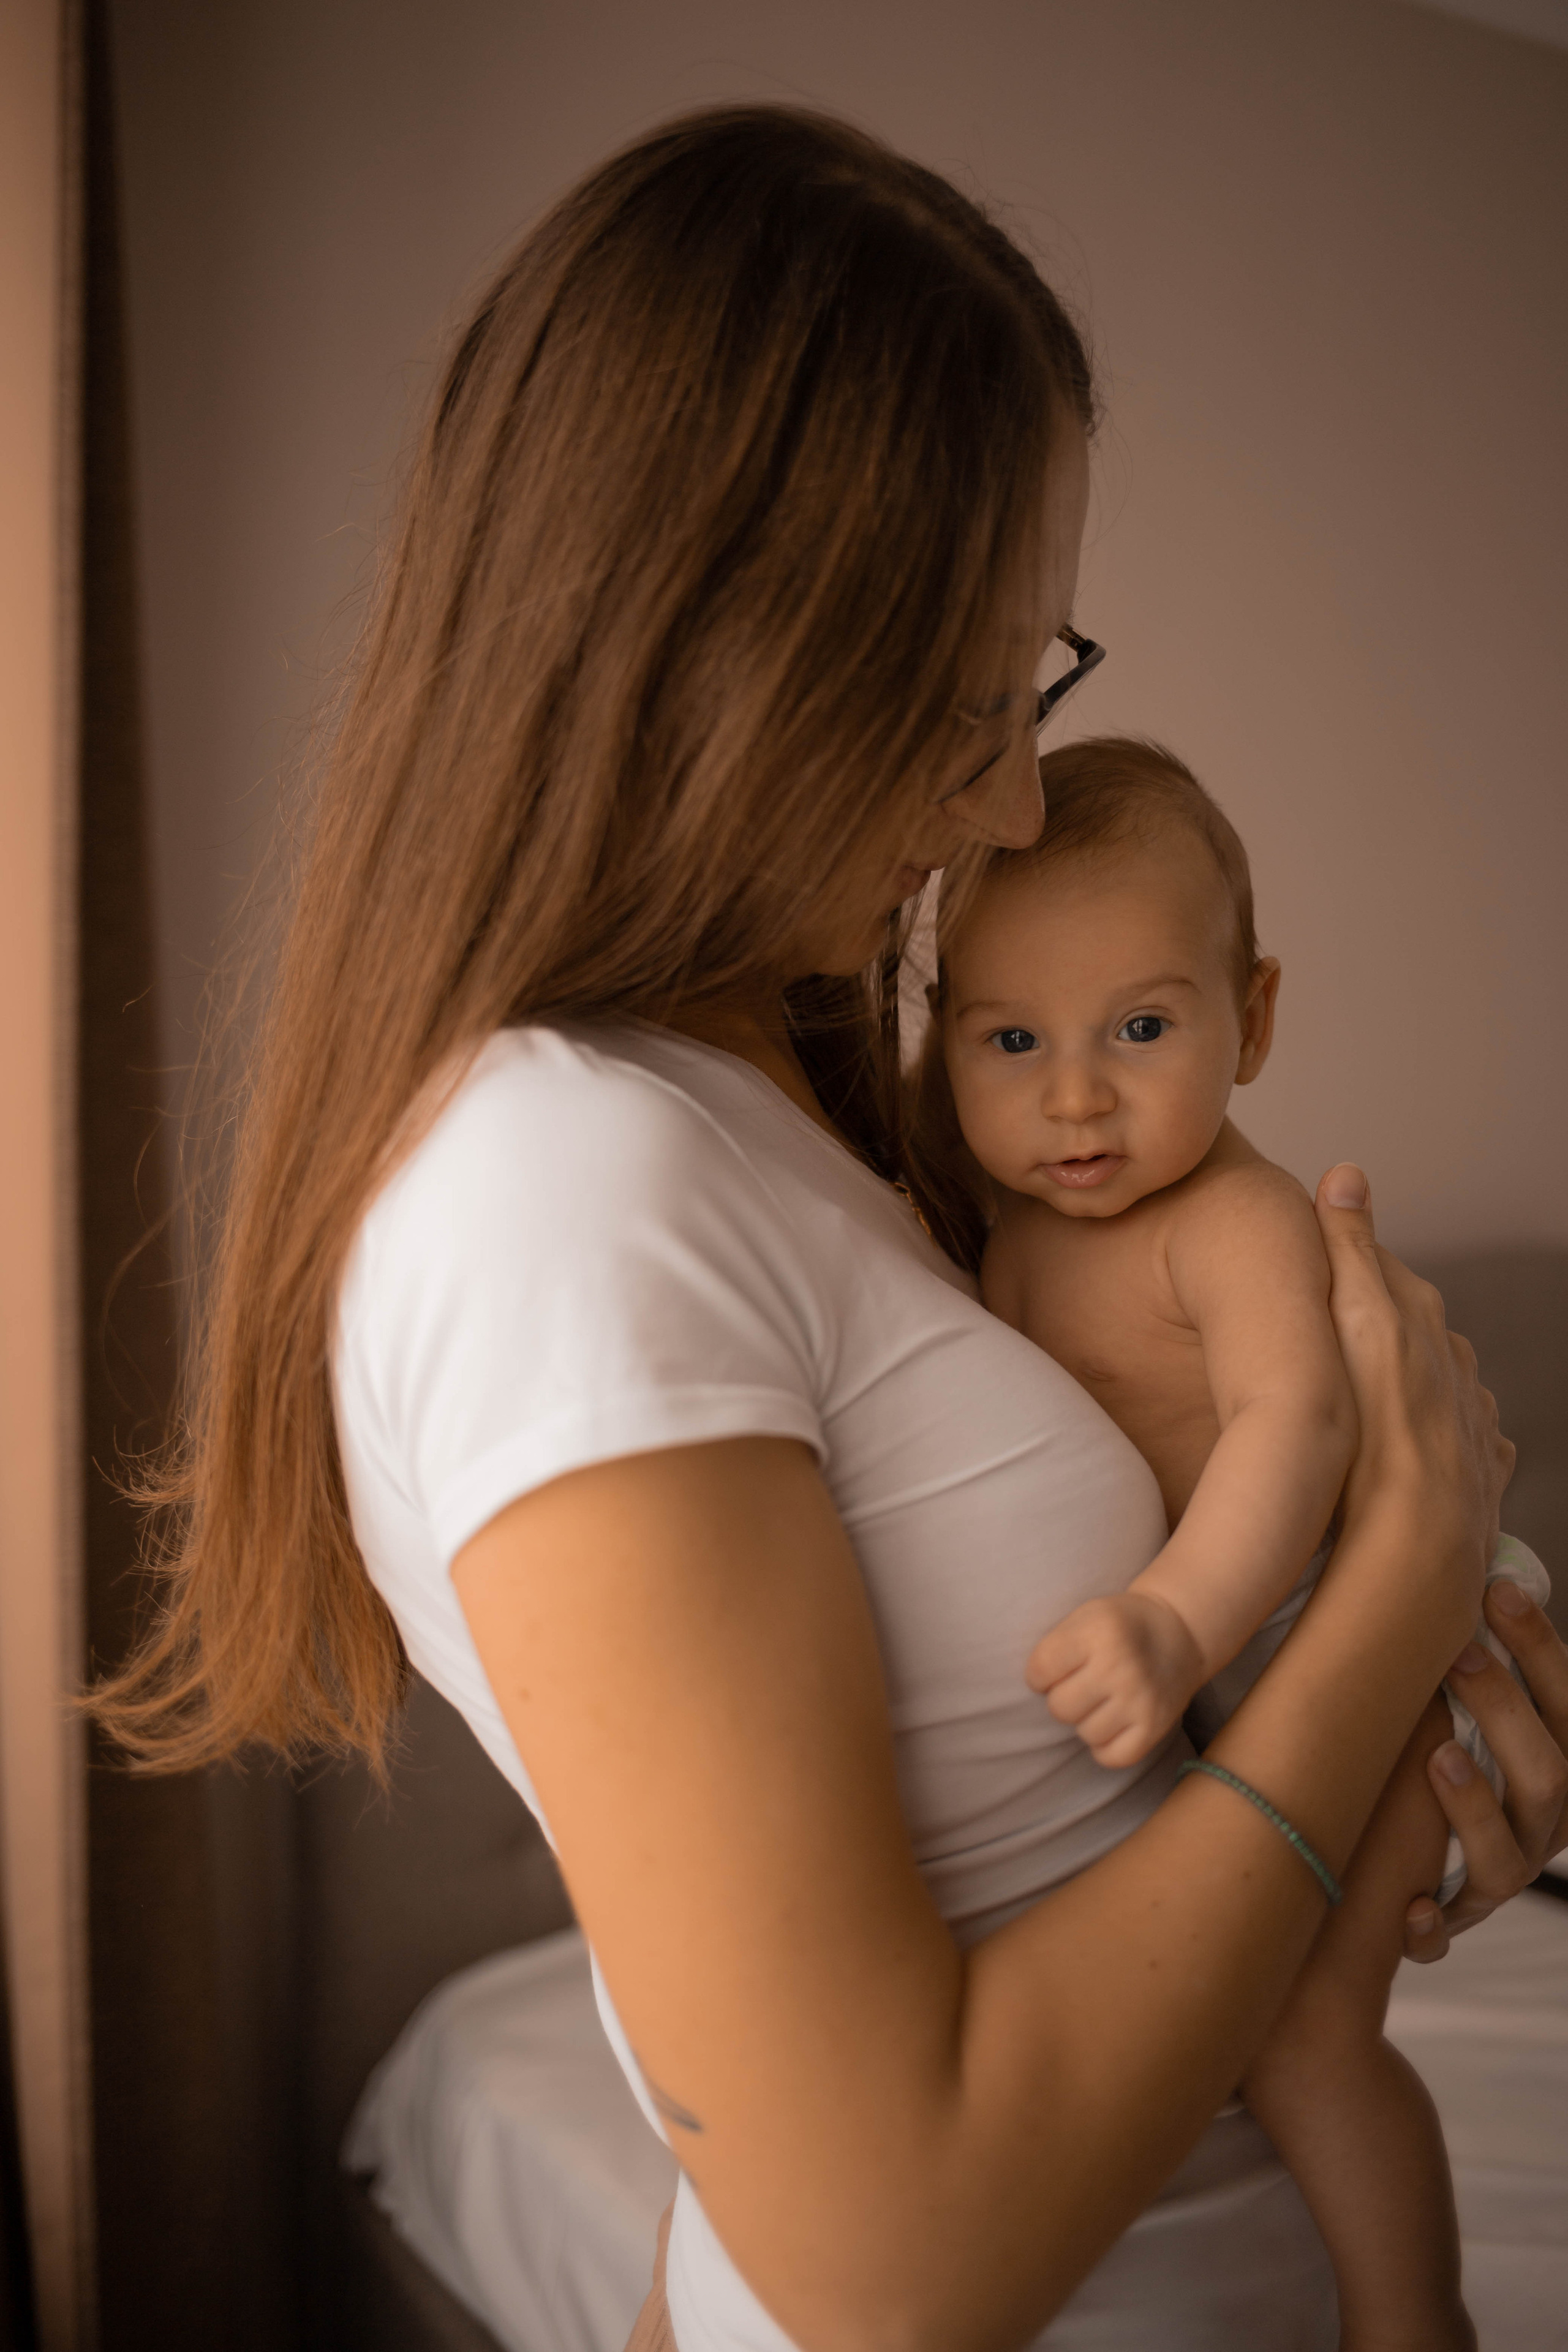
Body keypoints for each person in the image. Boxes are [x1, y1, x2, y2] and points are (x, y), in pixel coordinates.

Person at [89, 107, 1568, 2352]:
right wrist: (1392, 1594)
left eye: (1030, 684)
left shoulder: (793, 1106)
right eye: (952, 708)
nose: (1001, 806)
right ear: (694, 656)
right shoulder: (552, 1187)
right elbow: (887, 2253)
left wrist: (1416, 1723)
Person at [923, 732, 1551, 2351]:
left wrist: (1177, 1626)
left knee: (1308, 2036)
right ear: (943, 1052)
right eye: (1012, 1037)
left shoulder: (1240, 1221)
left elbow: (1300, 1429)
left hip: (1384, 1639)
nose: (1075, 1093)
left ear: (1252, 1018)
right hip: (1262, 1660)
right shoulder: (995, 1238)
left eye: (1141, 1026)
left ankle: (1416, 2329)